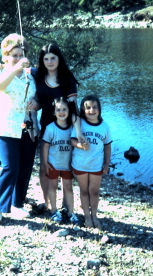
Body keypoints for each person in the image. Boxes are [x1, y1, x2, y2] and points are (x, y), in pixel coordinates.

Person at [31, 43, 89, 214]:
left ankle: (66, 206)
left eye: (53, 58)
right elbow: (39, 98)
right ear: (42, 61)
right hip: (47, 129)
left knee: (65, 167)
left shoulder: (67, 79)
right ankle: (47, 203)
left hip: (66, 129)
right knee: (45, 166)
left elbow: (74, 108)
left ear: (59, 59)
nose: (49, 62)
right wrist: (36, 103)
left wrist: (78, 132)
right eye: (46, 59)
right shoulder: (38, 76)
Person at [0, 33, 40, 223]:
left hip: (28, 126)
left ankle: (17, 204)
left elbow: (39, 97)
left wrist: (37, 103)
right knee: (10, 166)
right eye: (14, 55)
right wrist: (16, 68)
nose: (18, 58)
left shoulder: (30, 76)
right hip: (5, 126)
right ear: (5, 57)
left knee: (25, 167)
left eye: (21, 55)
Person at [71, 94, 112, 229]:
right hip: (80, 163)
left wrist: (107, 163)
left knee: (94, 191)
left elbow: (107, 145)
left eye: (95, 107)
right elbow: (72, 140)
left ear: (99, 109)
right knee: (84, 190)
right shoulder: (79, 124)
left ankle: (94, 215)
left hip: (96, 165)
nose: (91, 110)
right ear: (83, 110)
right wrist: (80, 145)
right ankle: (87, 216)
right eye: (88, 108)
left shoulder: (104, 126)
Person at [40, 97, 81, 225]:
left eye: (64, 109)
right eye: (58, 110)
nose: (61, 112)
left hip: (67, 164)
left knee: (68, 188)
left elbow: (76, 118)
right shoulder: (50, 128)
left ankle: (70, 212)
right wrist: (45, 162)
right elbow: (45, 145)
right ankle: (53, 210)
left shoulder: (72, 128)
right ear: (54, 112)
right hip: (53, 163)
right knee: (52, 187)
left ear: (69, 111)